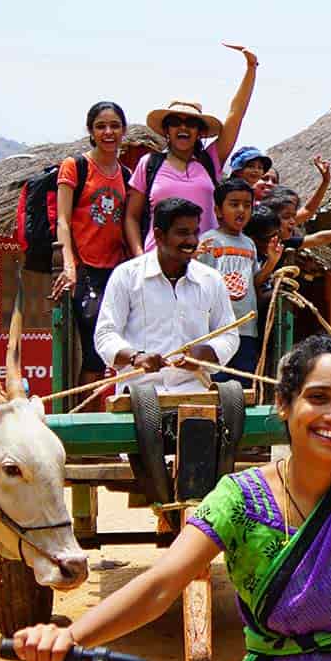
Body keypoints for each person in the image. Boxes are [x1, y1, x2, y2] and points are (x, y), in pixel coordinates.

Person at [10, 334, 331, 661]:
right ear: (285, 405)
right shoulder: (238, 498)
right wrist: (69, 637)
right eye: (319, 397)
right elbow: (163, 583)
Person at [93, 198, 242, 396]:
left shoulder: (211, 279)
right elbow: (105, 334)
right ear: (159, 236)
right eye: (182, 233)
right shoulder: (127, 275)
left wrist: (205, 353)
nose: (191, 241)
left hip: (195, 392)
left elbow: (229, 334)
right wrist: (135, 358)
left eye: (195, 232)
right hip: (138, 394)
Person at [128, 43, 259, 251]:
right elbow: (132, 217)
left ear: (199, 131)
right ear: (166, 129)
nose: (183, 127)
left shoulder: (211, 161)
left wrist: (251, 69)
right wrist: (139, 257)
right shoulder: (149, 164)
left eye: (191, 123)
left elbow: (236, 114)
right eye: (175, 122)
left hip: (206, 263)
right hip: (157, 261)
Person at [51, 101, 136, 400]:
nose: (108, 132)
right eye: (101, 126)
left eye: (114, 125)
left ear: (124, 130)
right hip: (85, 268)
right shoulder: (76, 166)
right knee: (93, 347)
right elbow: (62, 219)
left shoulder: (127, 175)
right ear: (90, 131)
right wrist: (69, 265)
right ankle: (85, 420)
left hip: (117, 269)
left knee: (122, 346)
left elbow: (129, 222)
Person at [197, 181, 275, 381]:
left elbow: (254, 282)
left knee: (243, 383)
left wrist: (271, 262)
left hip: (246, 327)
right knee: (216, 382)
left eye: (247, 205)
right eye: (234, 204)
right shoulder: (208, 241)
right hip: (215, 328)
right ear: (218, 210)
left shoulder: (249, 243)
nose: (241, 210)